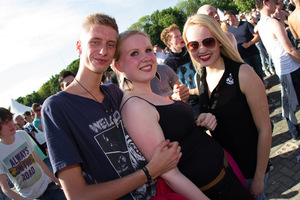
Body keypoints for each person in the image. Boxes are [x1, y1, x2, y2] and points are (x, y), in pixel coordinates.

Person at [41, 13, 181, 200]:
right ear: (79, 46)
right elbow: (77, 195)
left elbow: (149, 124)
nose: (103, 51)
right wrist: (149, 172)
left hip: (161, 192)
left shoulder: (114, 93)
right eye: (95, 42)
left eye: (110, 44)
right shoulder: (57, 108)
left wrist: (185, 109)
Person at [113, 29, 254, 200]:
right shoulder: (135, 106)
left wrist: (198, 122)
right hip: (213, 191)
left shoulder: (148, 94)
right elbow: (169, 174)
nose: (146, 57)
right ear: (119, 66)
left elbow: (177, 133)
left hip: (225, 176)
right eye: (134, 53)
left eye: (148, 50)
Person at [182, 14, 272, 200]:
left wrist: (258, 178)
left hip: (250, 171)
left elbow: (265, 129)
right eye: (194, 45)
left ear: (220, 41)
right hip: (226, 171)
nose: (202, 50)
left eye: (208, 42)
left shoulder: (243, 74)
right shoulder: (201, 76)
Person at [256, 0, 300, 141]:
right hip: (291, 67)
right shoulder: (271, 23)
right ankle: (295, 132)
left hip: (281, 68)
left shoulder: (260, 25)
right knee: (290, 101)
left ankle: (295, 132)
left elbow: (270, 49)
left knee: (288, 102)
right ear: (265, 2)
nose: (277, 4)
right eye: (274, 1)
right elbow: (289, 48)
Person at [0, 107, 66, 200]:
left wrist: (56, 180)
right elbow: (5, 189)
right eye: (6, 123)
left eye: (11, 120)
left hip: (49, 187)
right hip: (30, 197)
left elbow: (38, 161)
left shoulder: (22, 135)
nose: (11, 124)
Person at [161, 24, 200, 117]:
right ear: (169, 42)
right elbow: (173, 90)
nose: (181, 37)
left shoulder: (190, 51)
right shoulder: (168, 64)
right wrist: (193, 91)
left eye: (180, 34)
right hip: (190, 104)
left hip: (205, 95)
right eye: (176, 36)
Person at [224, 10, 265, 82]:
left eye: (228, 19)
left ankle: (263, 89)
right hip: (243, 57)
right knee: (250, 76)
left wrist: (248, 44)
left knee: (259, 73)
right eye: (226, 20)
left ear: (233, 16)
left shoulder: (246, 24)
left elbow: (257, 37)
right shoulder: (229, 30)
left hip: (253, 53)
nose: (227, 21)